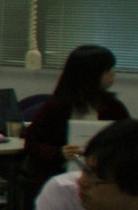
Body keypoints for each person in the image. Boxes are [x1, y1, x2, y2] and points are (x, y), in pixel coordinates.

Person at [25, 44, 129, 191]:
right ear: (93, 74)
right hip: (59, 180)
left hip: (102, 181)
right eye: (108, 69)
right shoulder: (55, 107)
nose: (113, 73)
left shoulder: (113, 107)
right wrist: (59, 152)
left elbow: (128, 143)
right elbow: (32, 144)